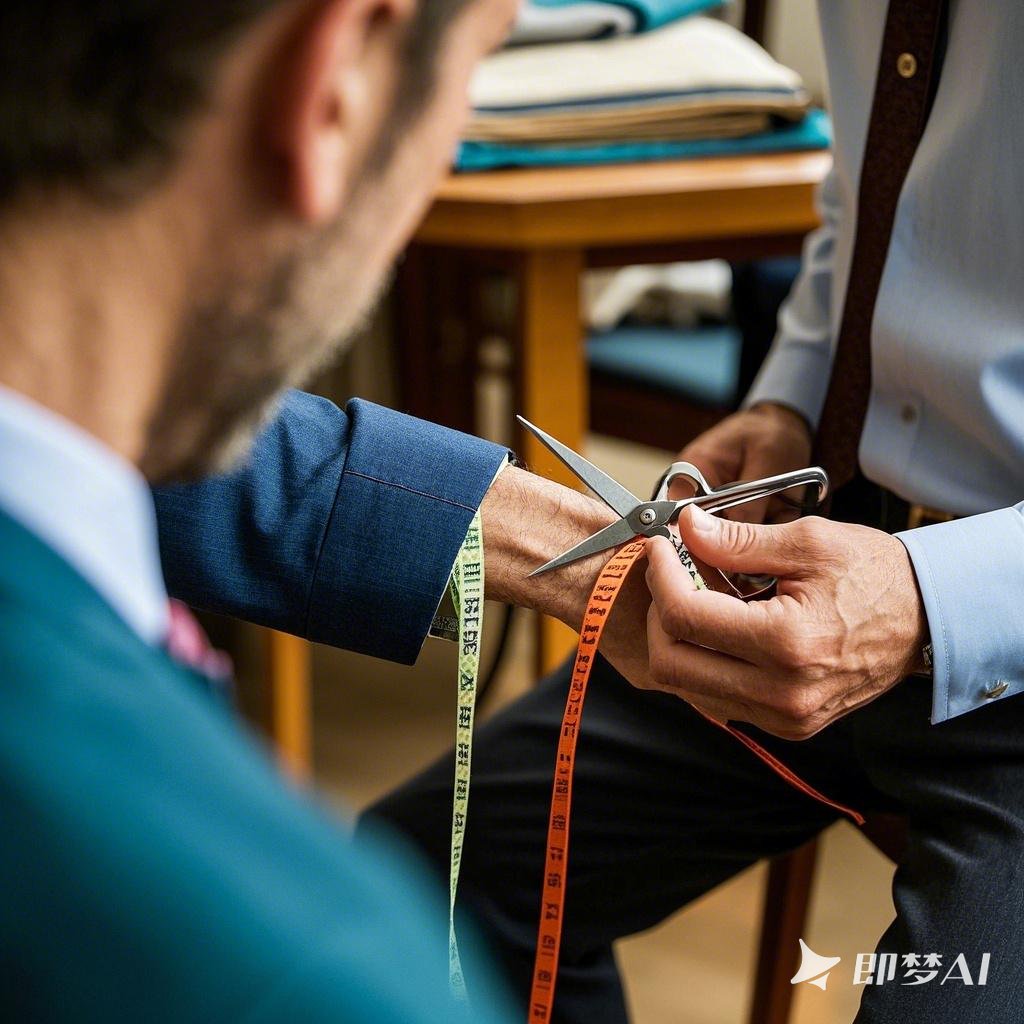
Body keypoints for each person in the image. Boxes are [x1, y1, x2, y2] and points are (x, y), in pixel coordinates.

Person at [368, 3, 1024, 1021]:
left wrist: (934, 596)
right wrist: (790, 402)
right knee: (422, 884)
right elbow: (870, 199)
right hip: (835, 556)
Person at [0, 0, 654, 1019]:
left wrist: (562, 543)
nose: (447, 150)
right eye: (476, 69)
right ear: (335, 81)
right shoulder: (326, 978)